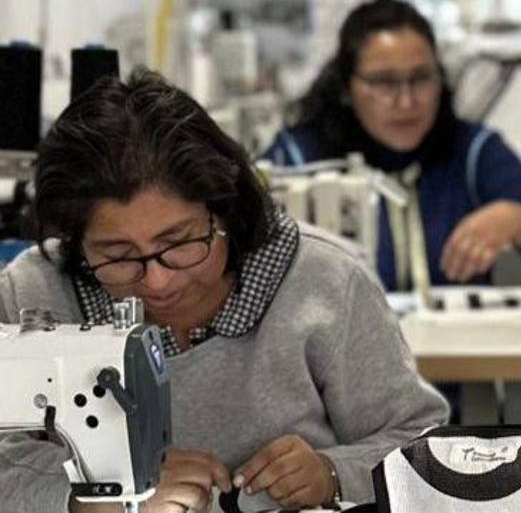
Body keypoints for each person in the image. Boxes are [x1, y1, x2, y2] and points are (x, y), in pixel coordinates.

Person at [0, 71, 448, 513]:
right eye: (118, 255)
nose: (158, 281)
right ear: (77, 245)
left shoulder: (321, 282)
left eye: (178, 243)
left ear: (225, 214)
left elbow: (421, 443)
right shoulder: (33, 294)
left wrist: (332, 473)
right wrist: (100, 497)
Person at [263, 0, 521, 290]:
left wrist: (518, 219)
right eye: (384, 82)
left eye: (422, 78)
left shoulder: (473, 152)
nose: (407, 101)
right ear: (346, 87)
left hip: (453, 341)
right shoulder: (298, 157)